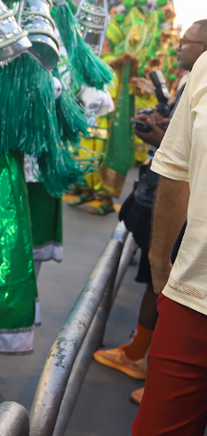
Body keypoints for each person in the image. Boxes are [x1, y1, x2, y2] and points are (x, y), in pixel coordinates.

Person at [97, 20, 206, 405]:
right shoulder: (196, 79)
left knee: (154, 280)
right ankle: (145, 361)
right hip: (173, 230)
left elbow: (183, 163)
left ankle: (138, 359)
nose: (178, 47)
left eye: (186, 42)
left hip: (185, 244)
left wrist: (159, 135)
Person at [132, 33, 207, 434]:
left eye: (189, 40)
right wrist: (160, 263)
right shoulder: (204, 70)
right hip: (192, 299)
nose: (181, 45)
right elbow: (176, 169)